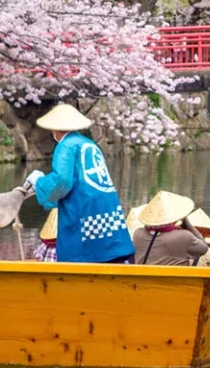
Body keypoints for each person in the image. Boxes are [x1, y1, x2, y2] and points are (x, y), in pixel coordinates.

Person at [24, 103, 135, 264]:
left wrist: (39, 182)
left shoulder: (66, 146)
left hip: (83, 206)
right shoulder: (89, 144)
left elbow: (62, 181)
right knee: (109, 246)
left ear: (54, 130)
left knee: (85, 252)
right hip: (106, 205)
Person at [131, 190, 210, 267]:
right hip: (174, 280)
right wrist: (187, 224)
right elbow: (204, 248)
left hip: (143, 280)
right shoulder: (184, 236)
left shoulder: (137, 234)